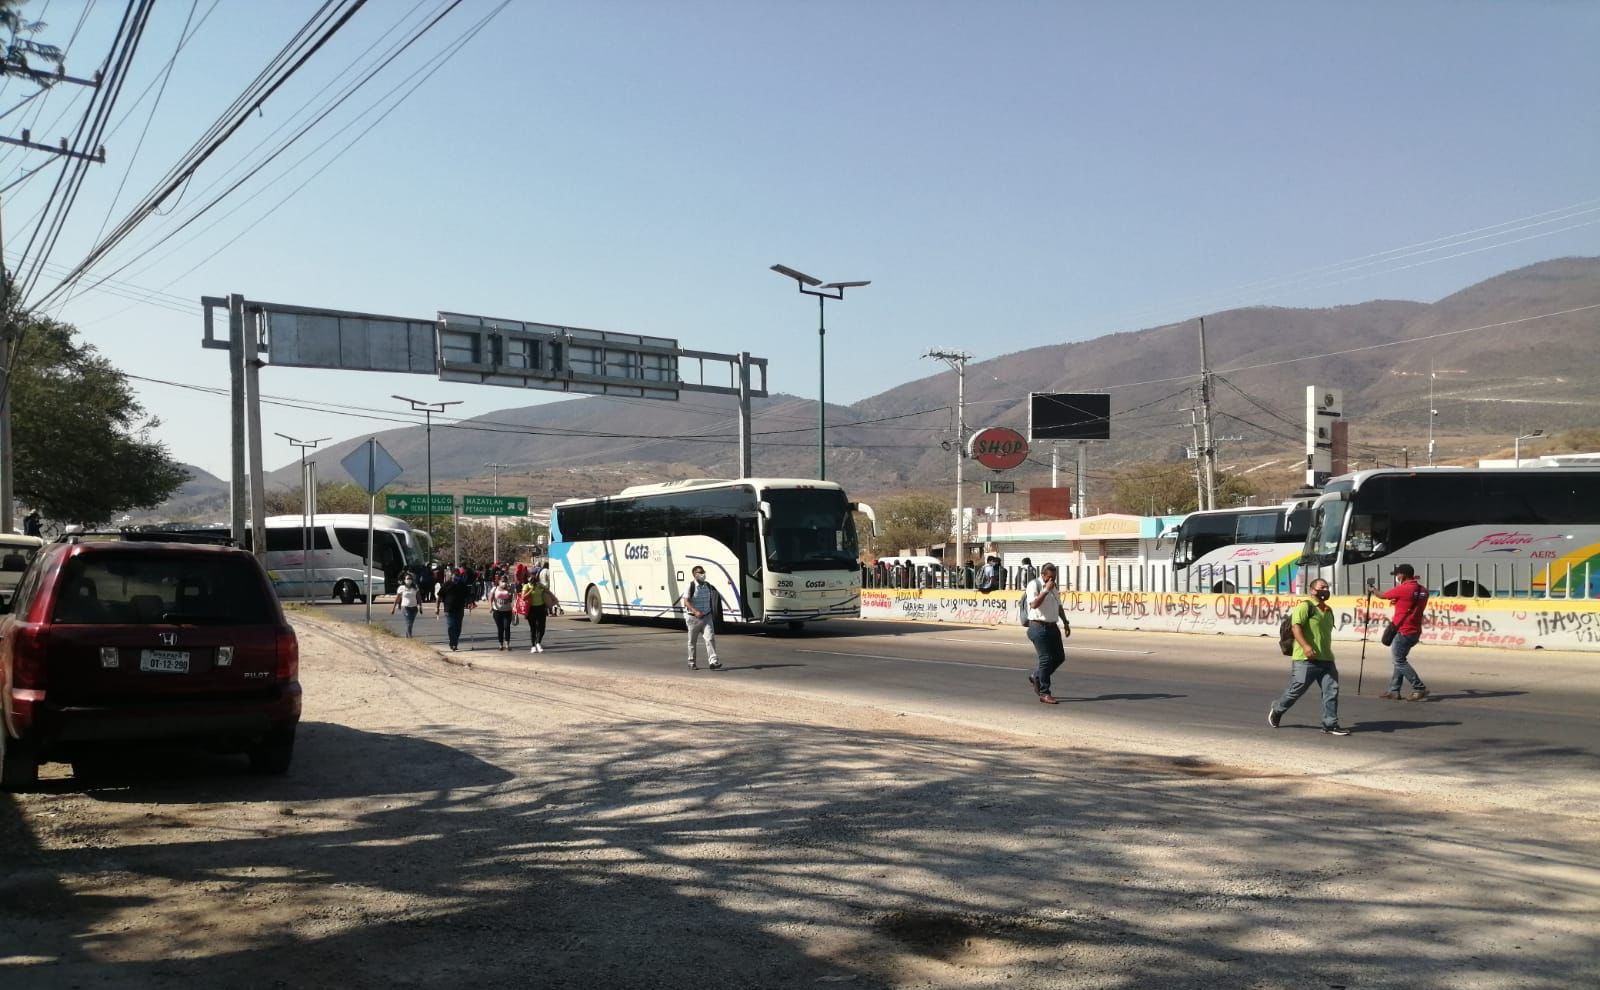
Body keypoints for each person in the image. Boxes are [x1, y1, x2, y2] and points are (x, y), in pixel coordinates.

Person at [1268, 577, 1350, 735]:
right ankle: (1277, 709)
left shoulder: (1328, 610)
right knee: (1296, 690)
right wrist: (1306, 646)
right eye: (1322, 587)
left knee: (1331, 691)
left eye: (1327, 587)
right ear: (1312, 590)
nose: (1325, 590)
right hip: (1305, 659)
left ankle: (1330, 724)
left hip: (1326, 659)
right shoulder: (1305, 606)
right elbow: (1295, 627)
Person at [1377, 563, 1430, 701]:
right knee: (1399, 660)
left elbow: (1382, 595)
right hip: (1415, 630)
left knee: (1399, 661)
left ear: (1403, 575)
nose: (1396, 577)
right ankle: (1394, 690)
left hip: (1403, 631)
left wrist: (1373, 589)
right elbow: (1409, 603)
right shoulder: (1423, 590)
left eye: (1397, 574)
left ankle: (1419, 687)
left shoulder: (1403, 588)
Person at [1022, 562, 1070, 704]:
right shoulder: (1034, 585)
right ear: (1042, 575)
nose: (1052, 580)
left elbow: (1059, 606)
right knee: (1046, 659)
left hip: (1052, 626)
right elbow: (1034, 604)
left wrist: (1065, 622)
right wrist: (1046, 590)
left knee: (1059, 657)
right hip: (1038, 627)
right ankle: (1044, 693)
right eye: (1049, 577)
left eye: (1054, 577)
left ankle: (1036, 676)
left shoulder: (1053, 587)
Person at [681, 565, 722, 670]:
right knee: (692, 641)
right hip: (693, 619)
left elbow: (712, 600)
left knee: (710, 638)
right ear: (695, 575)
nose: (703, 574)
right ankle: (691, 662)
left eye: (703, 572)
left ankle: (713, 662)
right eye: (700, 572)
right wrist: (695, 611)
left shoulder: (708, 586)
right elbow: (686, 602)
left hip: (707, 617)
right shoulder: (690, 586)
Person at [435, 571, 476, 651]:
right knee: (451, 626)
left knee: (458, 628)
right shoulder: (446, 585)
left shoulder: (462, 585)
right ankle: (453, 643)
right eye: (455, 576)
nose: (456, 578)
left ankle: (454, 642)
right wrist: (437, 607)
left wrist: (470, 603)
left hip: (459, 609)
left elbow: (468, 595)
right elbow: (439, 597)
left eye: (458, 576)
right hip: (449, 609)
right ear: (451, 576)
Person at [521, 572, 550, 652]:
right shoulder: (526, 586)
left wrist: (545, 589)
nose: (532, 578)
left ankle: (538, 642)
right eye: (530, 577)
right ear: (528, 579)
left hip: (541, 608)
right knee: (533, 628)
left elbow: (547, 591)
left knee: (542, 628)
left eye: (533, 576)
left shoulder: (539, 585)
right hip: (531, 609)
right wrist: (531, 590)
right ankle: (533, 646)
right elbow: (523, 597)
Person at [489, 577, 517, 650]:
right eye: (502, 581)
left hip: (507, 611)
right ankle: (501, 644)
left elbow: (514, 598)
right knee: (500, 628)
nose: (504, 583)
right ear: (499, 582)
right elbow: (490, 598)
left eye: (505, 581)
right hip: (497, 611)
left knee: (507, 627)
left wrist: (511, 590)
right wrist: (490, 607)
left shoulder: (510, 588)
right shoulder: (495, 588)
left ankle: (507, 644)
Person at [390, 572, 421, 637]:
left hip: (414, 608)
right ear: (404, 580)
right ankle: (410, 637)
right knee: (409, 623)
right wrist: (393, 608)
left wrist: (420, 607)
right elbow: (397, 599)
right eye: (407, 578)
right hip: (405, 607)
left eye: (410, 578)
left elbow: (419, 597)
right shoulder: (401, 588)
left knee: (410, 623)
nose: (409, 580)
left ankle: (407, 636)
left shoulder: (415, 587)